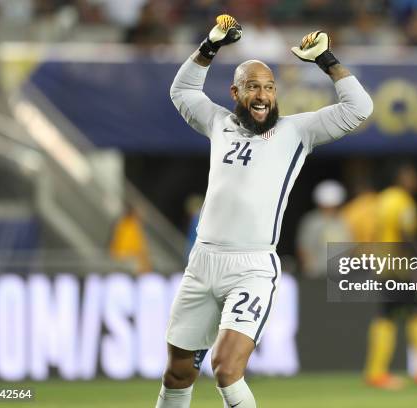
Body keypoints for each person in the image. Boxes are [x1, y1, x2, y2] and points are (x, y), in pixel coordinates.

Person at [158, 14, 373, 408]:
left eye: (269, 88)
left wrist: (326, 60)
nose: (262, 95)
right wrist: (210, 45)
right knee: (178, 372)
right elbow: (182, 90)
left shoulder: (296, 132)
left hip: (252, 266)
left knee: (225, 367)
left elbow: (359, 107)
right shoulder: (219, 123)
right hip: (203, 260)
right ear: (236, 92)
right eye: (253, 87)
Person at [364, 161, 417, 389]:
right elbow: (405, 235)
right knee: (411, 314)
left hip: (383, 264)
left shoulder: (383, 199)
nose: (415, 179)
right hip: (398, 267)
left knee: (395, 315)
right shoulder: (403, 201)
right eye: (411, 175)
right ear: (401, 177)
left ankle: (379, 372)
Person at [297, 180, 352, 279]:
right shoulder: (312, 221)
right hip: (318, 275)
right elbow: (303, 247)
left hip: (341, 275)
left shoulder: (344, 220)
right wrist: (310, 268)